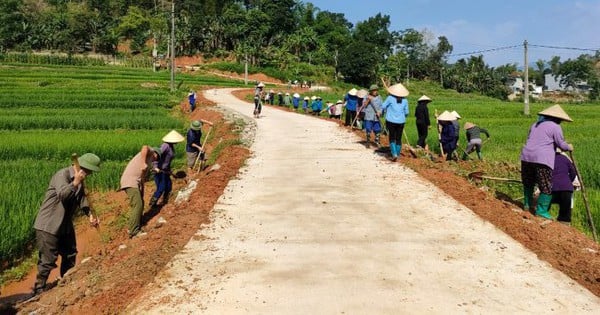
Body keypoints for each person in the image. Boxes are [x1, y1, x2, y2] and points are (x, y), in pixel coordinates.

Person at [32, 153, 101, 295]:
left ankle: (66, 280)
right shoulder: (62, 175)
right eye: (88, 171)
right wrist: (75, 182)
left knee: (70, 253)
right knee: (48, 259)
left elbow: (82, 200)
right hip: (49, 224)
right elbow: (63, 195)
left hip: (65, 225)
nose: (89, 174)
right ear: (82, 167)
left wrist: (90, 215)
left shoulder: (81, 180)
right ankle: (39, 289)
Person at [520, 104, 573, 219]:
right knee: (546, 185)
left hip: (526, 156)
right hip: (542, 158)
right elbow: (561, 144)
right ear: (558, 119)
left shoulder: (534, 125)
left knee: (528, 182)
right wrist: (569, 147)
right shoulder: (555, 127)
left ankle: (527, 205)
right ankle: (541, 211)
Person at [120, 146, 161, 238]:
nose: (155, 159)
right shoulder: (149, 152)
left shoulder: (149, 162)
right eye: (157, 157)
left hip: (135, 183)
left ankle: (133, 225)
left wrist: (142, 187)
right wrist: (143, 163)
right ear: (156, 154)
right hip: (130, 181)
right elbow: (145, 147)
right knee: (137, 204)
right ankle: (134, 231)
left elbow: (142, 177)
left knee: (140, 203)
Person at [150, 130, 185, 208]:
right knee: (161, 187)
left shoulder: (171, 147)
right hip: (159, 171)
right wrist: (155, 167)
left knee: (168, 186)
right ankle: (153, 203)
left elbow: (167, 161)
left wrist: (170, 172)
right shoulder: (165, 146)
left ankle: (164, 201)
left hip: (165, 171)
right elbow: (156, 156)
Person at [381, 83, 410, 161]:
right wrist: (402, 117)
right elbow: (407, 112)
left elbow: (383, 106)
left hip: (391, 121)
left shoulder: (390, 98)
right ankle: (397, 154)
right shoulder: (405, 100)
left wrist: (385, 109)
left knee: (392, 137)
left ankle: (394, 154)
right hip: (401, 122)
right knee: (398, 138)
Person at [551, 149, 577, 224]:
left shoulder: (549, 159)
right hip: (567, 188)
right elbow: (573, 172)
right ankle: (564, 225)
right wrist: (569, 181)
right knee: (565, 215)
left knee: (545, 204)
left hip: (553, 187)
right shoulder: (565, 159)